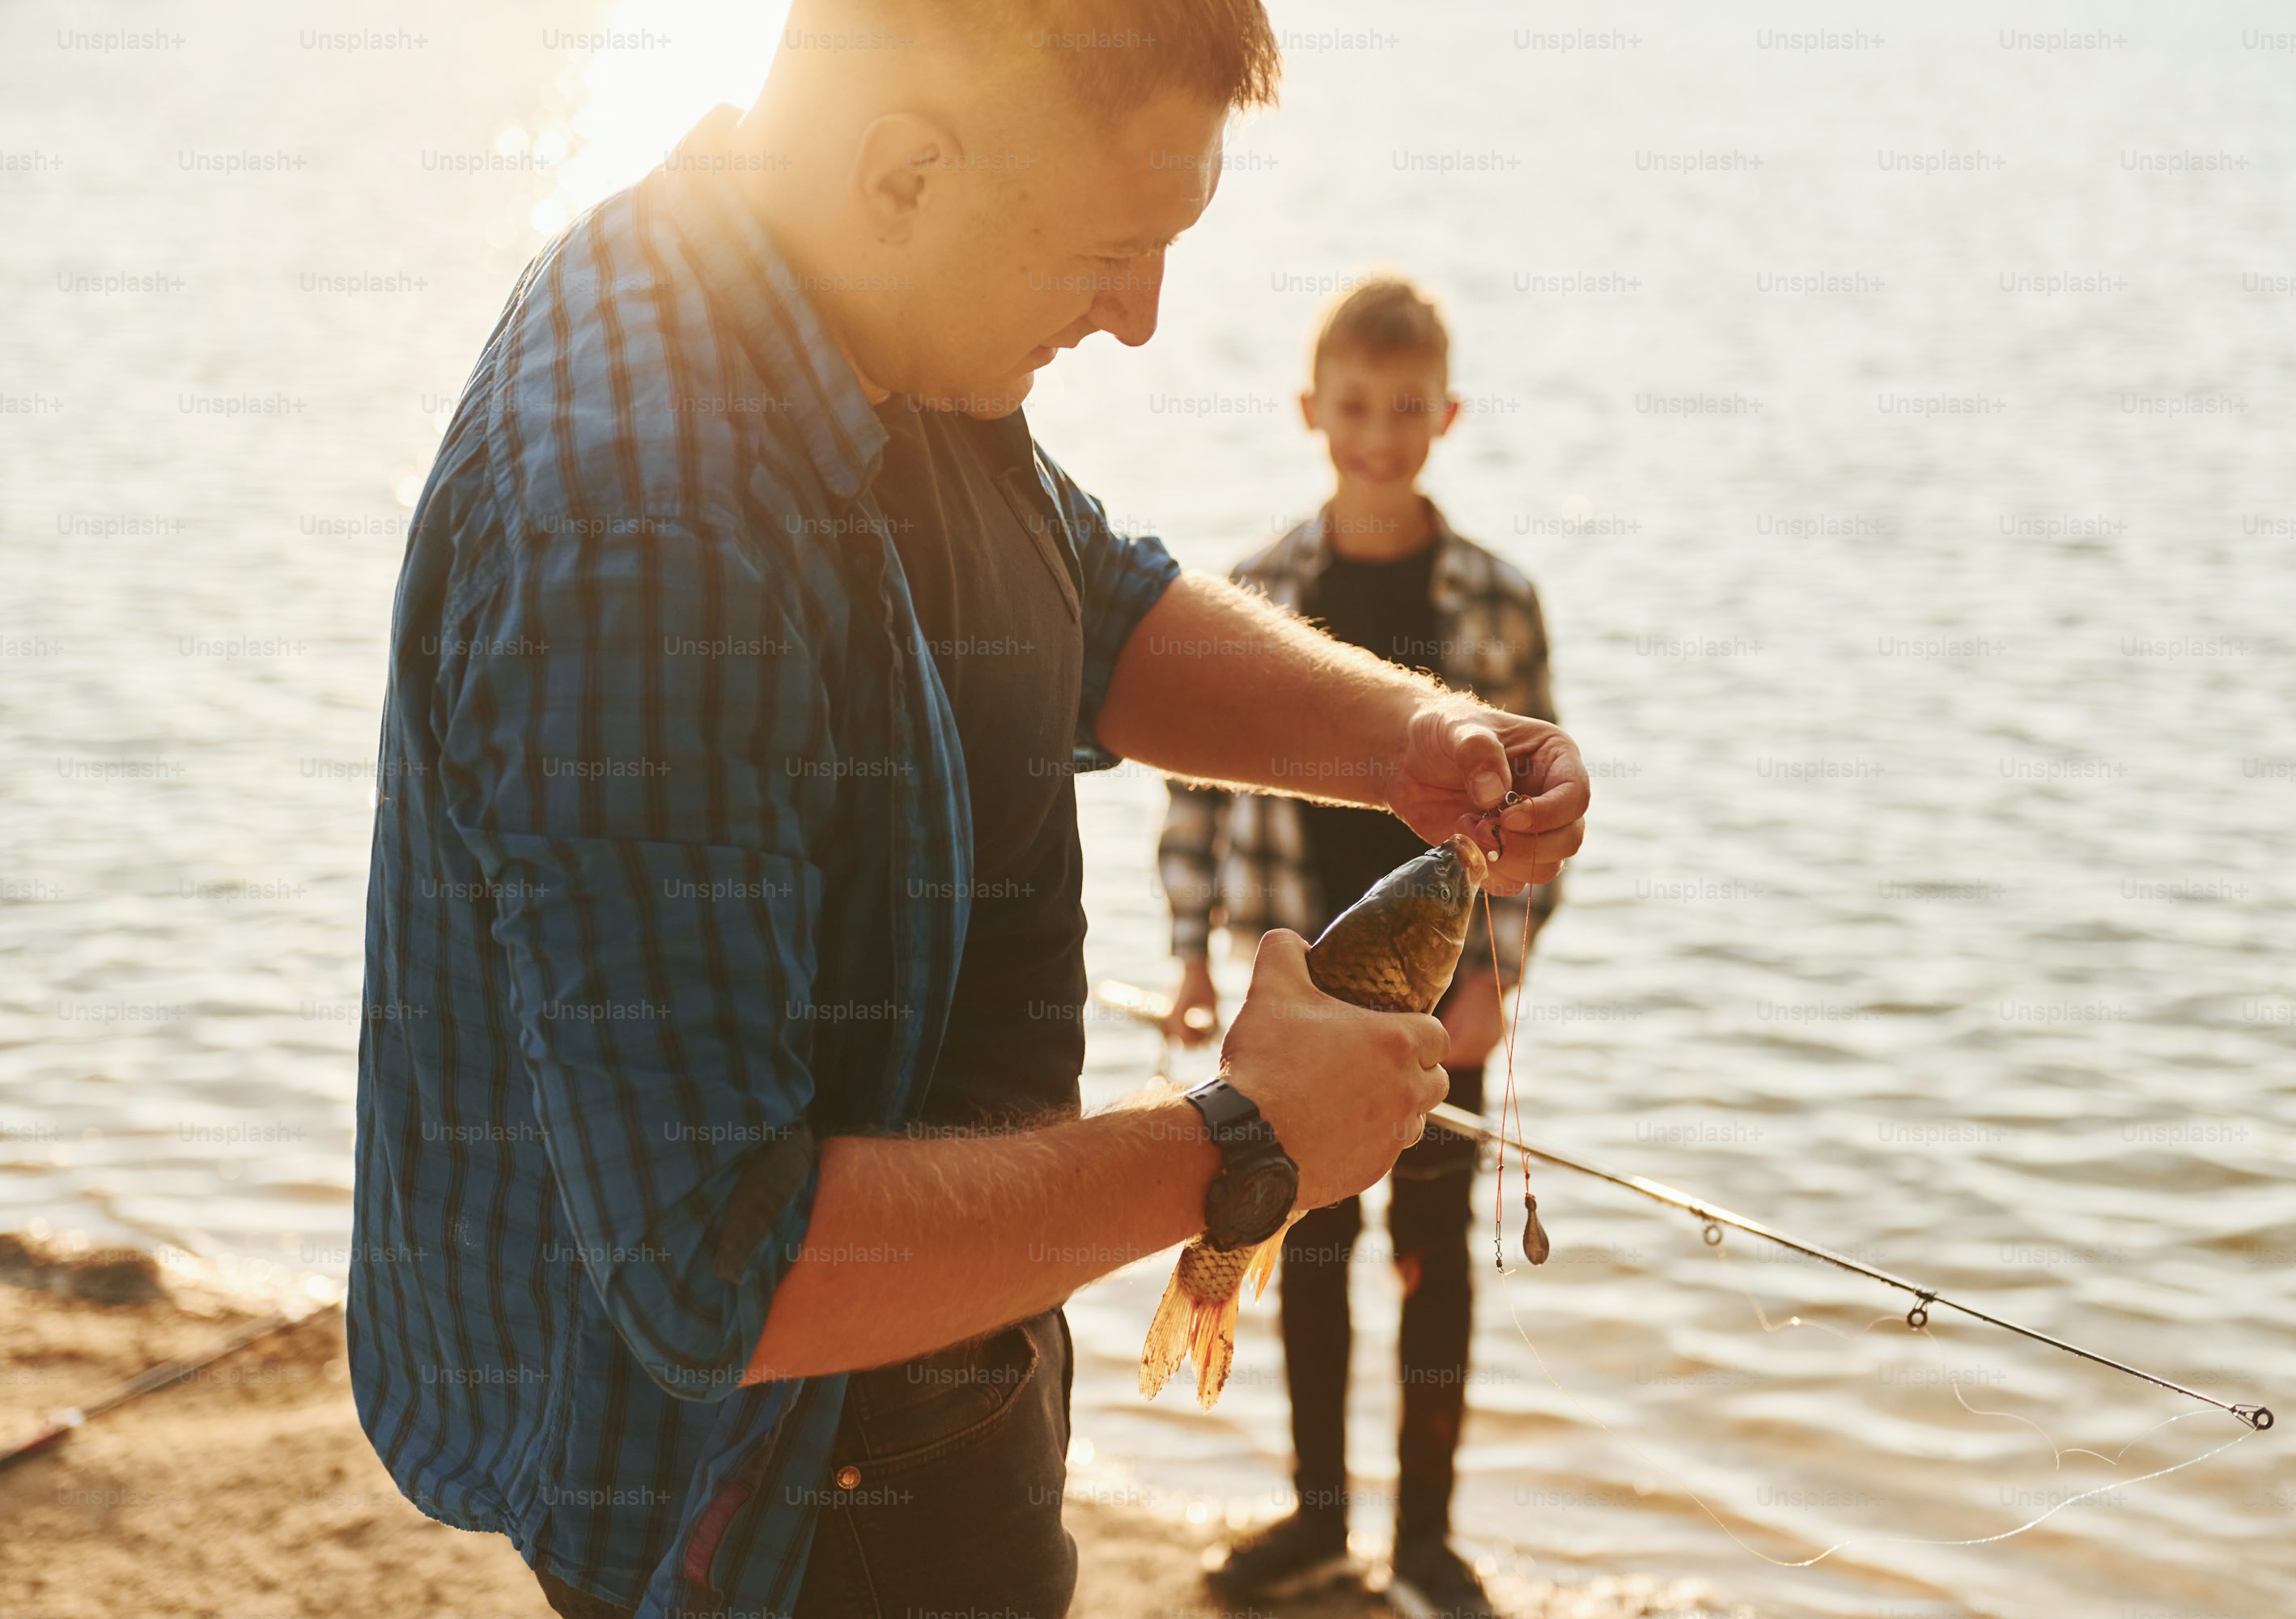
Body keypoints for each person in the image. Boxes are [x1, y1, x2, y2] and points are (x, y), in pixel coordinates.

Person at [348, 5, 1589, 1619]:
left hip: (961, 1416)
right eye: (1107, 250)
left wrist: (1410, 737)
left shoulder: (868, 303)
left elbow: (1082, 592)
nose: (1142, 319)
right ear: (902, 175)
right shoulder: (636, 528)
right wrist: (1239, 1142)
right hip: (770, 1518)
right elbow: (716, 1255)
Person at [1158, 278, 1560, 1619]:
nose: (1378, 436)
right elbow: (1195, 800)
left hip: (1444, 1003)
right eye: (1353, 409)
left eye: (1405, 411)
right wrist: (1193, 958)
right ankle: (1318, 1518)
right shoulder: (1265, 592)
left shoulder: (1499, 601)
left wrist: (1501, 973)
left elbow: (1535, 816)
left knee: (1432, 1256)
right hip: (1302, 993)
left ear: (1444, 415)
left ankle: (1427, 1540)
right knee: (1307, 1247)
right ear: (1308, 412)